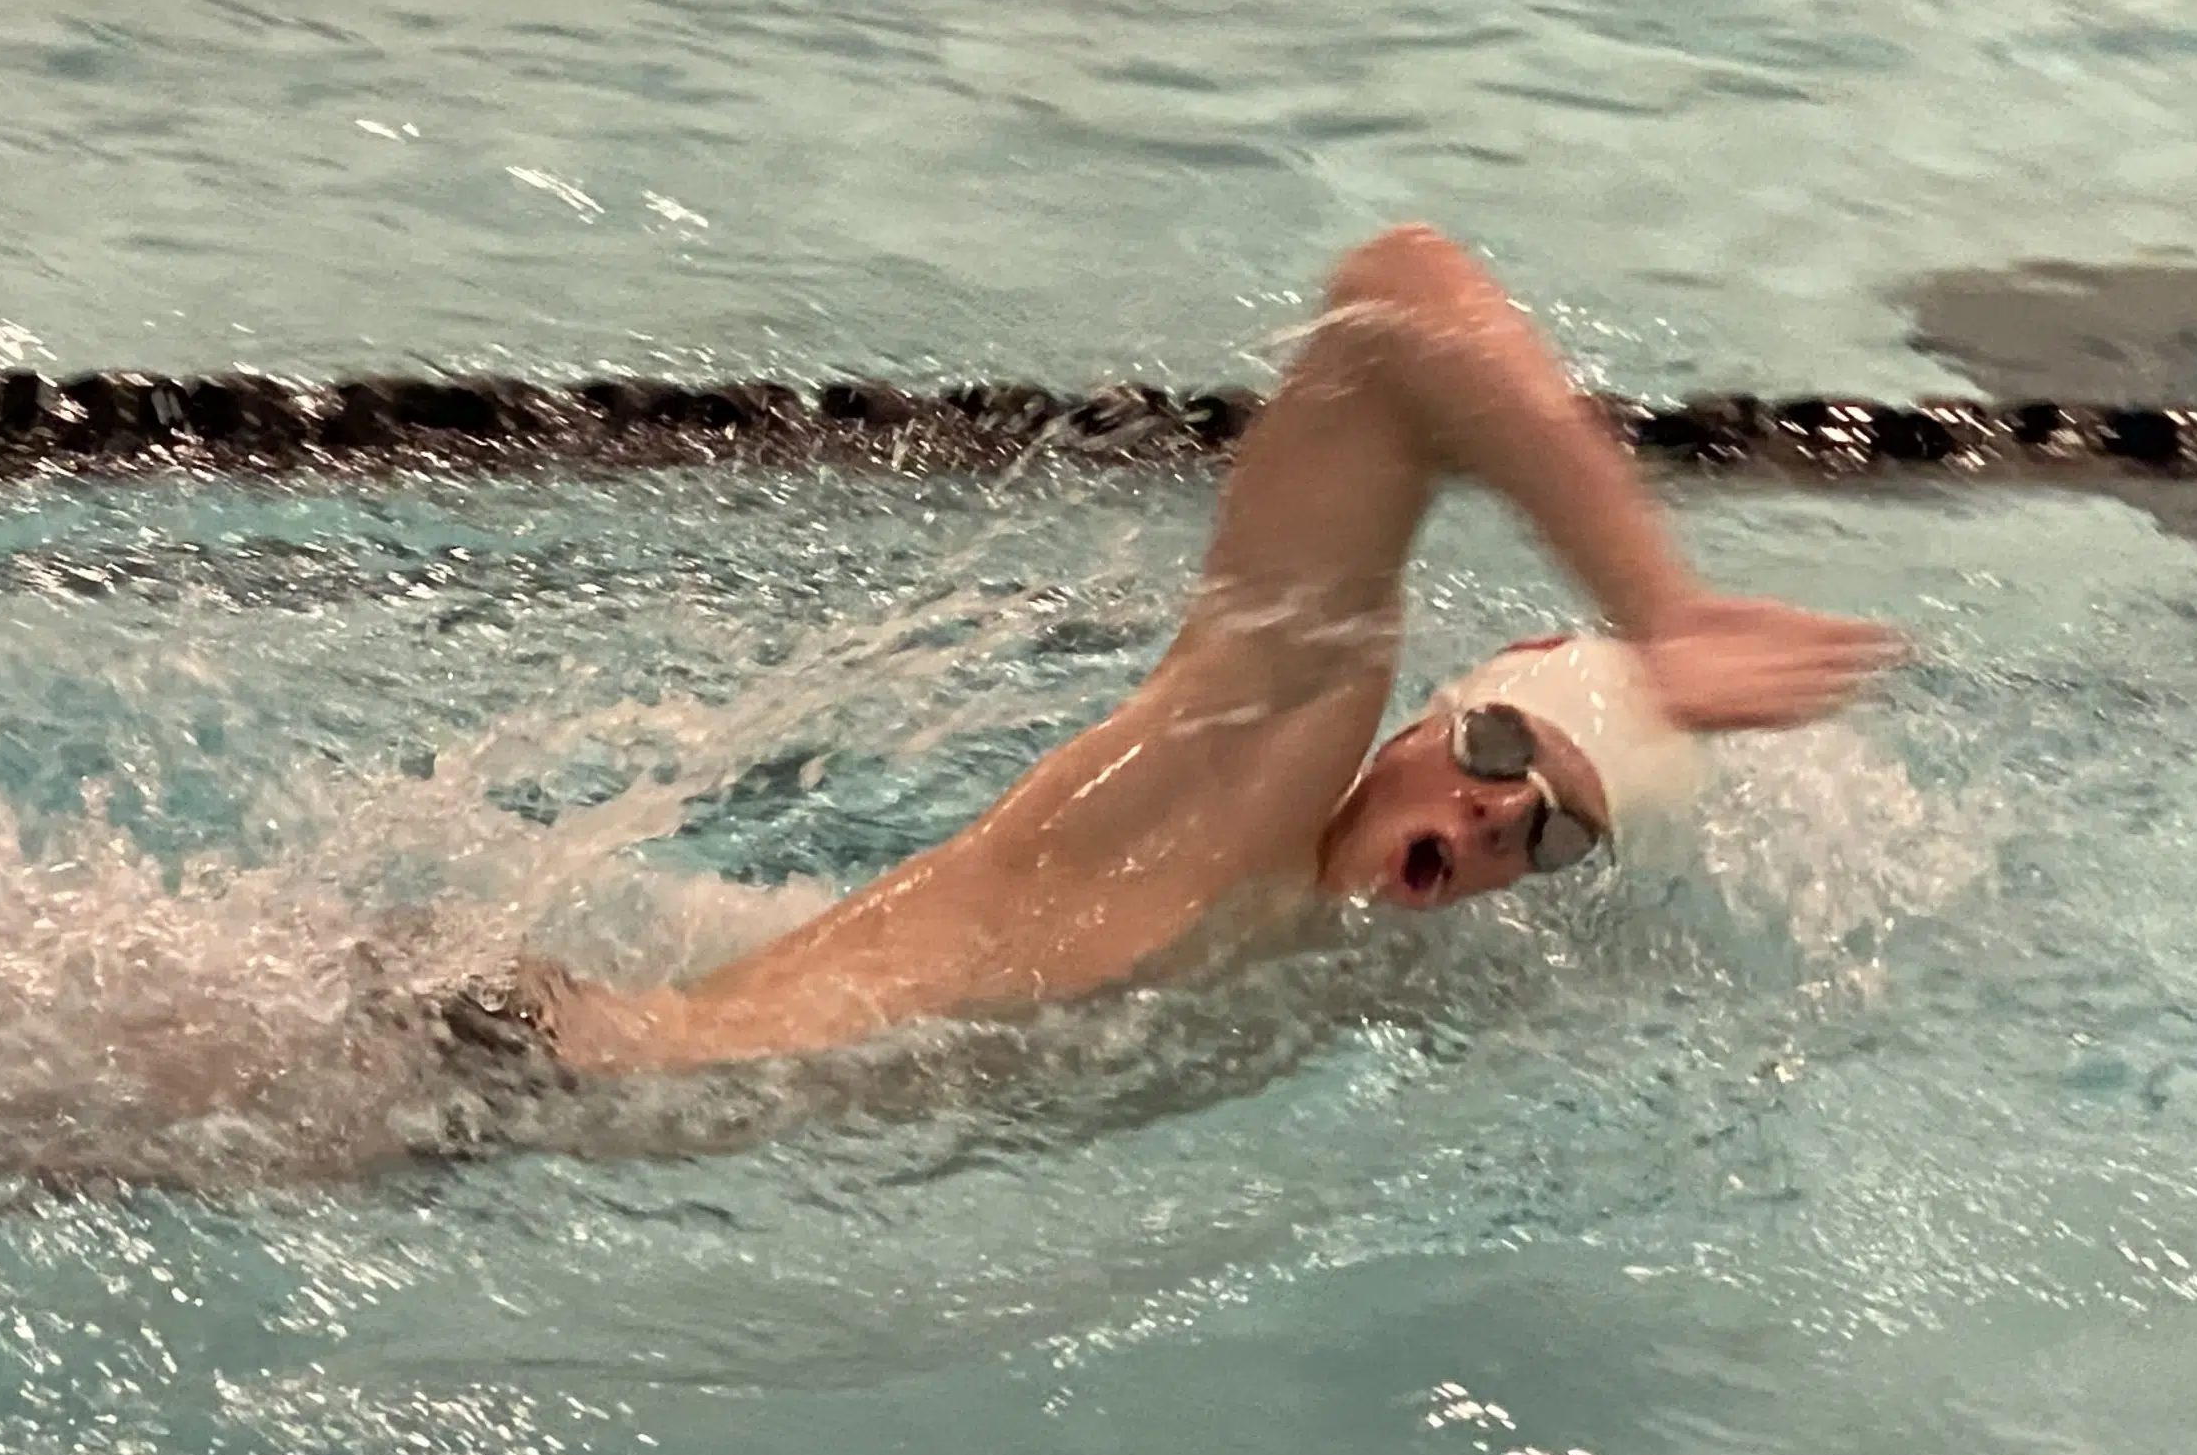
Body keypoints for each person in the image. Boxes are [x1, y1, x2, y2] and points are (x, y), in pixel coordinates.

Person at [487, 226, 1903, 1074]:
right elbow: (1399, 305)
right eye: (1500, 750)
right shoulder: (1246, 778)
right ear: (1427, 721)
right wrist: (1665, 614)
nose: (1493, 813)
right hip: (504, 1077)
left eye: (1552, 839)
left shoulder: (1300, 935)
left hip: (541, 1093)